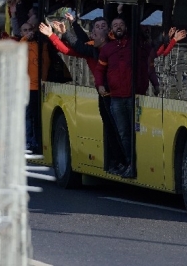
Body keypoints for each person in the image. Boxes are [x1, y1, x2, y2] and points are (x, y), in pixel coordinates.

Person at [39, 16, 128, 175]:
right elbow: (68, 49)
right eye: (97, 26)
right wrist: (53, 35)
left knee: (119, 130)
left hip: (118, 93)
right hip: (104, 94)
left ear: (108, 31)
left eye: (103, 26)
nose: (101, 29)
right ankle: (118, 161)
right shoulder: (92, 48)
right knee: (110, 129)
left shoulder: (113, 46)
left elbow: (79, 43)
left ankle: (124, 161)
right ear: (93, 33)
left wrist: (69, 28)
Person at [94, 17, 153, 178]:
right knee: (123, 133)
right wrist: (100, 85)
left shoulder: (135, 46)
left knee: (135, 133)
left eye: (121, 24)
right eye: (115, 25)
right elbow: (99, 70)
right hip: (116, 98)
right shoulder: (108, 49)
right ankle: (128, 164)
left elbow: (150, 58)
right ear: (111, 30)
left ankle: (133, 164)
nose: (118, 27)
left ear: (126, 27)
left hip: (134, 98)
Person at [20, 22, 50, 153]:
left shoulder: (40, 46)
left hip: (40, 87)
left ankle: (36, 141)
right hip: (27, 87)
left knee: (37, 117)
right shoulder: (22, 44)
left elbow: (45, 63)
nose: (28, 32)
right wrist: (25, 38)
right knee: (28, 116)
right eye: (25, 30)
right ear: (21, 33)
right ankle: (28, 141)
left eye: (30, 30)